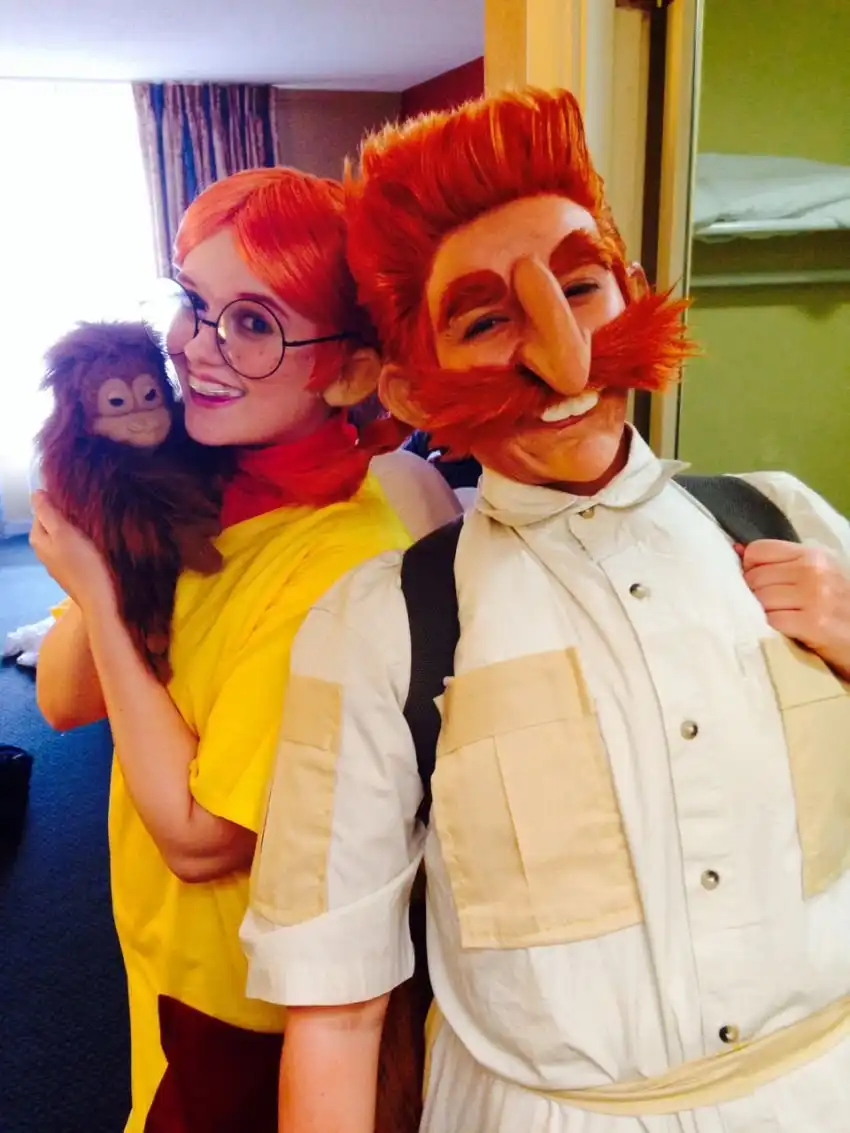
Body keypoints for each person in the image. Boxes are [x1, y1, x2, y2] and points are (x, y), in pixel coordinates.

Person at [240, 90, 850, 1133]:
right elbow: (337, 1013)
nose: (560, 355)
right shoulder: (383, 626)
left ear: (631, 288)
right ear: (414, 389)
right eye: (486, 320)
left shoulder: (789, 519)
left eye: (580, 286)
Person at [33, 166, 459, 1133]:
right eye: (192, 302)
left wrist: (99, 593)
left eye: (253, 323)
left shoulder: (339, 567)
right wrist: (109, 522)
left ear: (350, 374)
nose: (193, 347)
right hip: (163, 955)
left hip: (248, 997)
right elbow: (61, 700)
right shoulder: (192, 489)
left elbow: (199, 836)